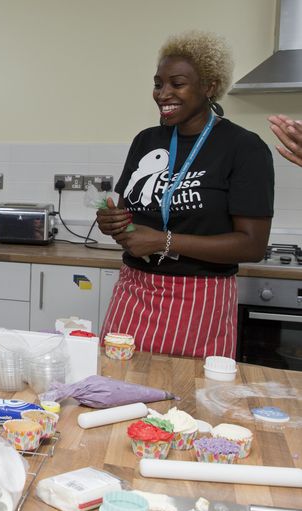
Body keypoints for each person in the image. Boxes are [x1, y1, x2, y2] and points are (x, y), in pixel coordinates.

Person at [96, 31, 273, 358]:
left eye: (176, 84)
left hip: (199, 301)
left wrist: (163, 241)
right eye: (158, 83)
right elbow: (130, 218)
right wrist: (113, 222)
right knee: (114, 388)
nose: (163, 94)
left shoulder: (244, 148)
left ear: (208, 86)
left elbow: (253, 245)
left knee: (186, 402)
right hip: (133, 292)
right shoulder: (146, 141)